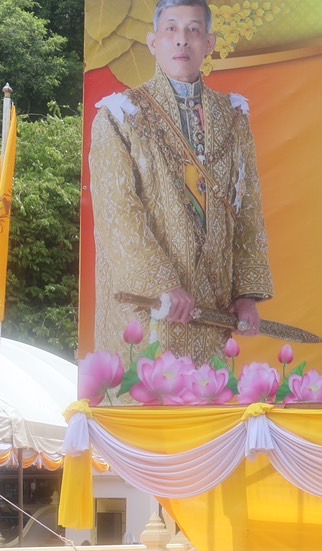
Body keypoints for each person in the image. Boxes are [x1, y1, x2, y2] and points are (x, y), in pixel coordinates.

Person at [90, 0, 273, 364]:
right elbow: (117, 212)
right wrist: (161, 283)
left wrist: (246, 294)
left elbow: (248, 207)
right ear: (152, 42)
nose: (181, 40)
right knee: (144, 392)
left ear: (209, 43)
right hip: (149, 308)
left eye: (193, 30)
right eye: (171, 29)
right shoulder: (119, 115)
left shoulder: (233, 116)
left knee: (209, 398)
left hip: (212, 305)